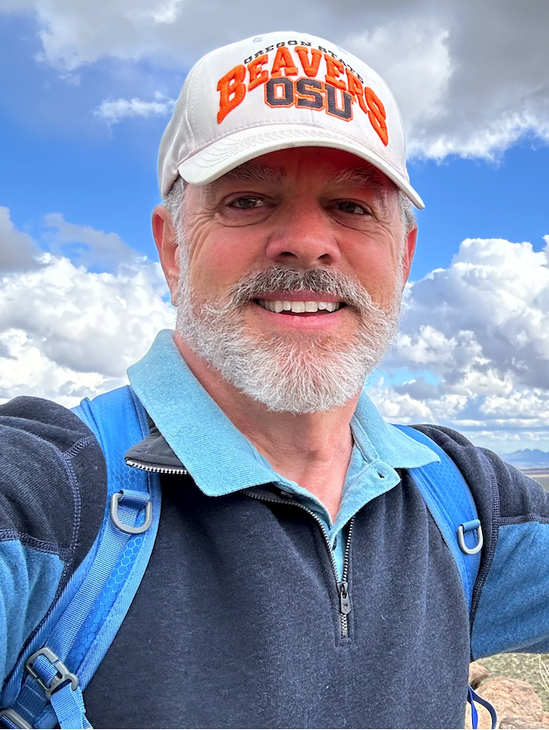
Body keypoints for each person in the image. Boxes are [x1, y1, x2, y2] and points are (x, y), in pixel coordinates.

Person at [1, 30, 548, 730]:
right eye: (248, 200)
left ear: (403, 254)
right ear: (172, 247)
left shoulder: (463, 502)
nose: (306, 241)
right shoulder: (53, 496)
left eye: (351, 207)